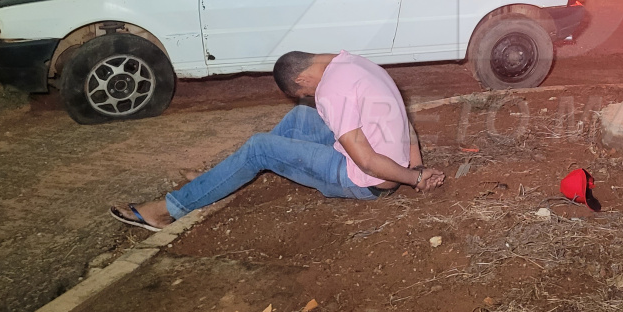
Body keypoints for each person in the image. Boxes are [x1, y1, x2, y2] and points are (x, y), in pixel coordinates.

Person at [110, 51, 445, 231]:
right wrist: (413, 162)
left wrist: (415, 178)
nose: (312, 97)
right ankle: (222, 178)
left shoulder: (331, 90)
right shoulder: (353, 62)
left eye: (304, 92)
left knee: (260, 147)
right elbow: (402, 118)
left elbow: (368, 162)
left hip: (366, 181)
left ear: (301, 77)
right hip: (392, 161)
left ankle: (169, 210)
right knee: (299, 118)